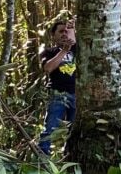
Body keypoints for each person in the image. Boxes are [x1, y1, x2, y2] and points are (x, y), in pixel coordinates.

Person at [38, 20, 76, 156]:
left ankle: (69, 159)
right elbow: (47, 68)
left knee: (75, 131)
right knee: (50, 128)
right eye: (60, 31)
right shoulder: (48, 51)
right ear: (53, 35)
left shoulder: (77, 50)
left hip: (77, 95)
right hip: (58, 94)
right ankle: (42, 161)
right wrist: (64, 51)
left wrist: (72, 29)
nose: (64, 34)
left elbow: (74, 39)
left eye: (66, 31)